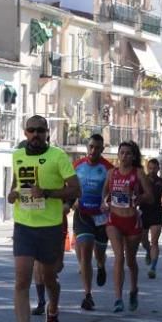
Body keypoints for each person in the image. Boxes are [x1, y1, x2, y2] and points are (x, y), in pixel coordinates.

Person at [7, 115, 79, 322]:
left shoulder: (58, 156)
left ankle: (54, 308)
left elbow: (74, 188)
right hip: (24, 225)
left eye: (40, 130)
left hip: (50, 226)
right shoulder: (17, 155)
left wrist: (47, 192)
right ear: (25, 132)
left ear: (47, 132)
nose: (35, 134)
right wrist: (12, 194)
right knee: (21, 279)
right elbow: (16, 183)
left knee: (50, 278)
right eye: (31, 130)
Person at [103, 140, 153, 313]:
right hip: (114, 220)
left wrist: (139, 198)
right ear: (118, 155)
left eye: (128, 153)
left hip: (132, 221)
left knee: (130, 260)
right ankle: (118, 298)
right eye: (121, 152)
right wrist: (105, 203)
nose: (124, 156)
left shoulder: (138, 173)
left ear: (133, 156)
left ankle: (133, 289)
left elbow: (150, 196)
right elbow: (105, 193)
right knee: (119, 257)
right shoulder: (111, 173)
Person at [72, 133, 113, 311]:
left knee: (99, 252)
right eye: (91, 146)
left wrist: (108, 203)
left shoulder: (108, 168)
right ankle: (87, 295)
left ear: (102, 149)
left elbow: (114, 191)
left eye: (97, 147)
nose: (93, 150)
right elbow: (69, 186)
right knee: (86, 250)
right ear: (87, 147)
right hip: (82, 214)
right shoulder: (77, 165)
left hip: (101, 217)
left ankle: (102, 264)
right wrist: (71, 200)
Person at [139, 158, 162, 279]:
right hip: (143, 213)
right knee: (144, 240)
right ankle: (148, 251)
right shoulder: (142, 180)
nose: (152, 170)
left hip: (156, 213)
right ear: (147, 168)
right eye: (150, 168)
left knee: (155, 241)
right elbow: (136, 195)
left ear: (158, 169)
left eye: (154, 168)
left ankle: (153, 268)